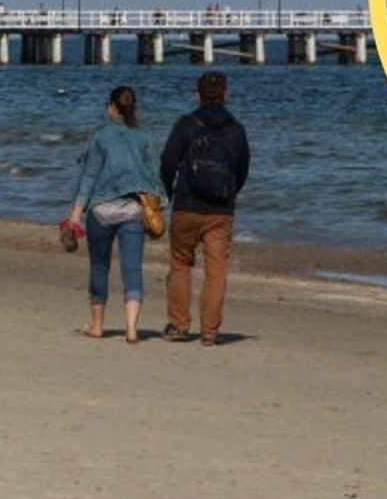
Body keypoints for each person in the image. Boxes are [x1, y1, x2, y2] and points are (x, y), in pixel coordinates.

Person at [159, 71, 250, 346]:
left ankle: (179, 325)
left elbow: (167, 161)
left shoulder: (186, 124)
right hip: (220, 210)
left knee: (180, 264)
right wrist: (229, 194)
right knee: (216, 271)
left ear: (197, 95)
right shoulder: (236, 129)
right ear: (226, 94)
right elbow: (242, 169)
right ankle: (209, 331)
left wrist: (170, 191)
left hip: (186, 204)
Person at [66, 85, 161, 344]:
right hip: (132, 210)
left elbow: (89, 175)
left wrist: (75, 213)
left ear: (111, 107)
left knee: (99, 266)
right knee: (132, 269)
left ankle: (97, 325)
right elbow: (153, 176)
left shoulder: (100, 137)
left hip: (101, 209)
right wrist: (159, 207)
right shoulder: (143, 137)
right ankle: (131, 329)